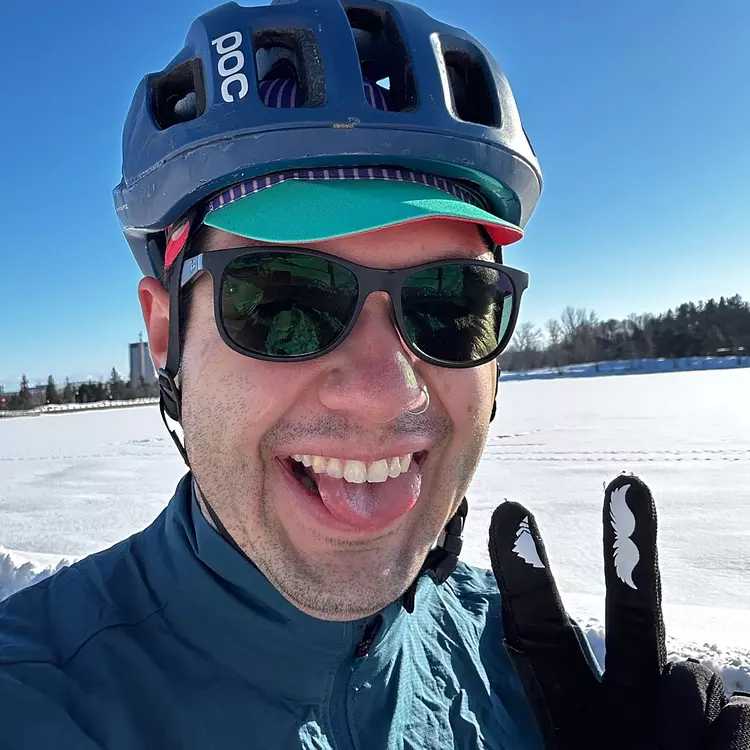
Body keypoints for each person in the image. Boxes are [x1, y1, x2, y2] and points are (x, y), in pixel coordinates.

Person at [0, 1, 747, 748]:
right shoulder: (37, 696)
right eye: (284, 300)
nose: (387, 389)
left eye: (452, 303)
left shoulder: (526, 664)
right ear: (166, 333)